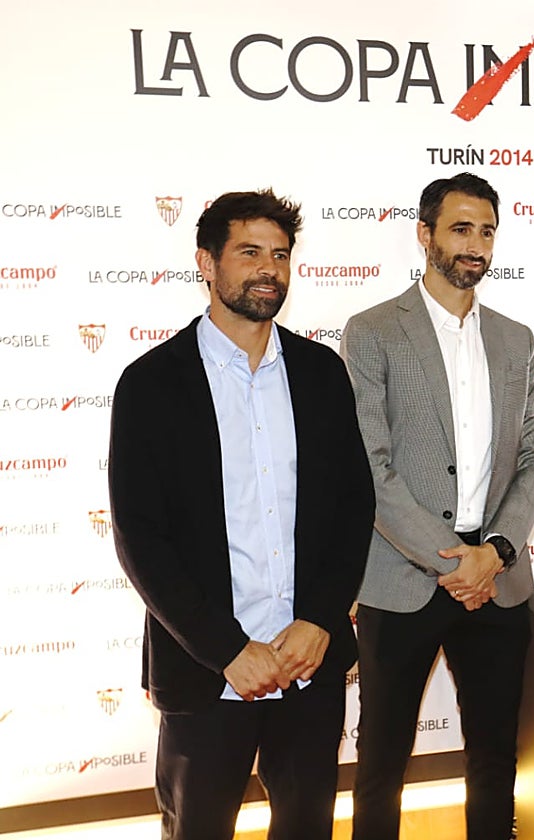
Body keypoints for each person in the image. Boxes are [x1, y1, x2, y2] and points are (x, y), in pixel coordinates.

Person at [108, 189, 376, 840]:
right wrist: (227, 650)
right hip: (206, 675)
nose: (270, 269)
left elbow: (353, 505)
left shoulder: (320, 371)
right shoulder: (151, 383)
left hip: (307, 666)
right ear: (206, 262)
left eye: (281, 254)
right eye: (250, 252)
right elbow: (140, 539)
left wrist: (320, 619)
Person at [342, 172, 534, 840]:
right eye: (461, 228)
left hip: (496, 580)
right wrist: (450, 561)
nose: (476, 244)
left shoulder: (516, 339)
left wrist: (494, 554)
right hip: (403, 580)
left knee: (495, 759)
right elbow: (369, 466)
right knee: (381, 764)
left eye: (487, 230)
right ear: (425, 234)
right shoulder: (373, 331)